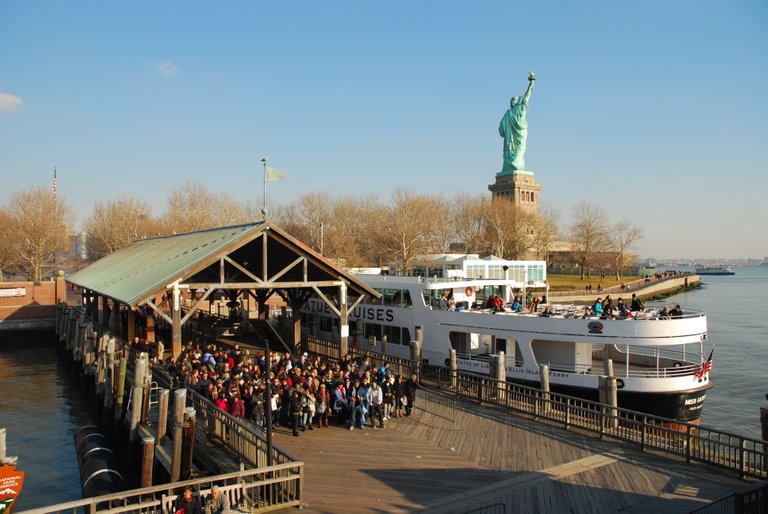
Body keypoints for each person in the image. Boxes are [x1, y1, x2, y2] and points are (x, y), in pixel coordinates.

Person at [498, 71, 535, 173]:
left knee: (519, 151)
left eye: (513, 100)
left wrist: (531, 84)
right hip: (516, 136)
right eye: (511, 101)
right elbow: (501, 130)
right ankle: (514, 166)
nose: (511, 102)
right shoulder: (508, 114)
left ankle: (516, 165)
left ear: (517, 102)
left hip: (518, 135)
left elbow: (527, 97)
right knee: (516, 151)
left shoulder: (520, 108)